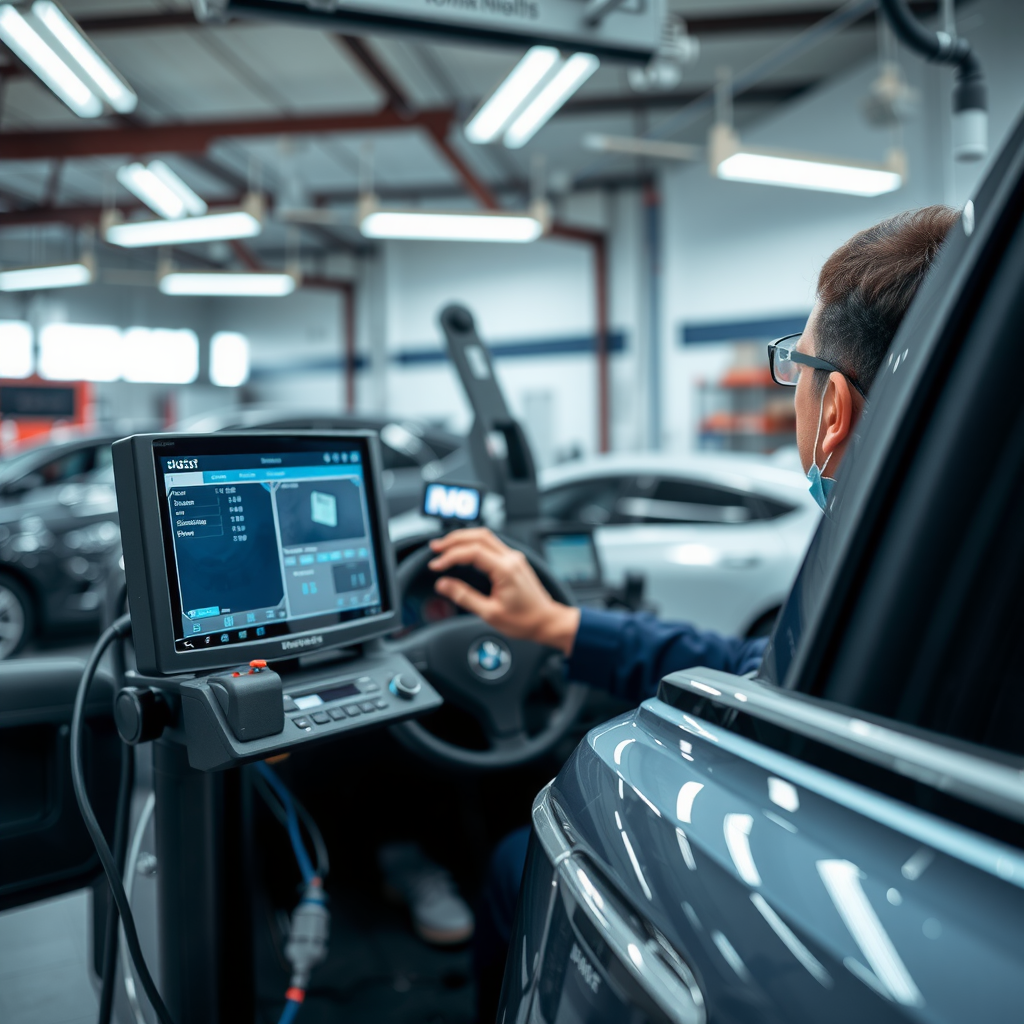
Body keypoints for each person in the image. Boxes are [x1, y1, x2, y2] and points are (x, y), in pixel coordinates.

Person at [424, 205, 961, 1018]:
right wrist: (562, 628)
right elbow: (748, 669)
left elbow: (750, 684)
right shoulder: (948, 558)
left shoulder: (870, 575)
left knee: (517, 857)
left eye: (798, 365)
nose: (795, 390)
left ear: (835, 415)